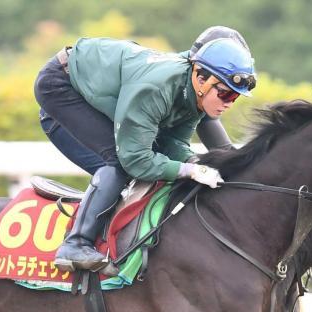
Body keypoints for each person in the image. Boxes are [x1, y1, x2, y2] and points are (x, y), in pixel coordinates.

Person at [34, 28, 256, 273]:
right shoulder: (157, 88)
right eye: (225, 93)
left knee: (144, 167)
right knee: (119, 164)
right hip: (62, 88)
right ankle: (75, 245)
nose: (227, 103)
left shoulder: (193, 91)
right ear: (201, 79)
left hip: (95, 89)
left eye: (235, 97)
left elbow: (172, 144)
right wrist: (188, 170)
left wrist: (196, 163)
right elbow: (135, 160)